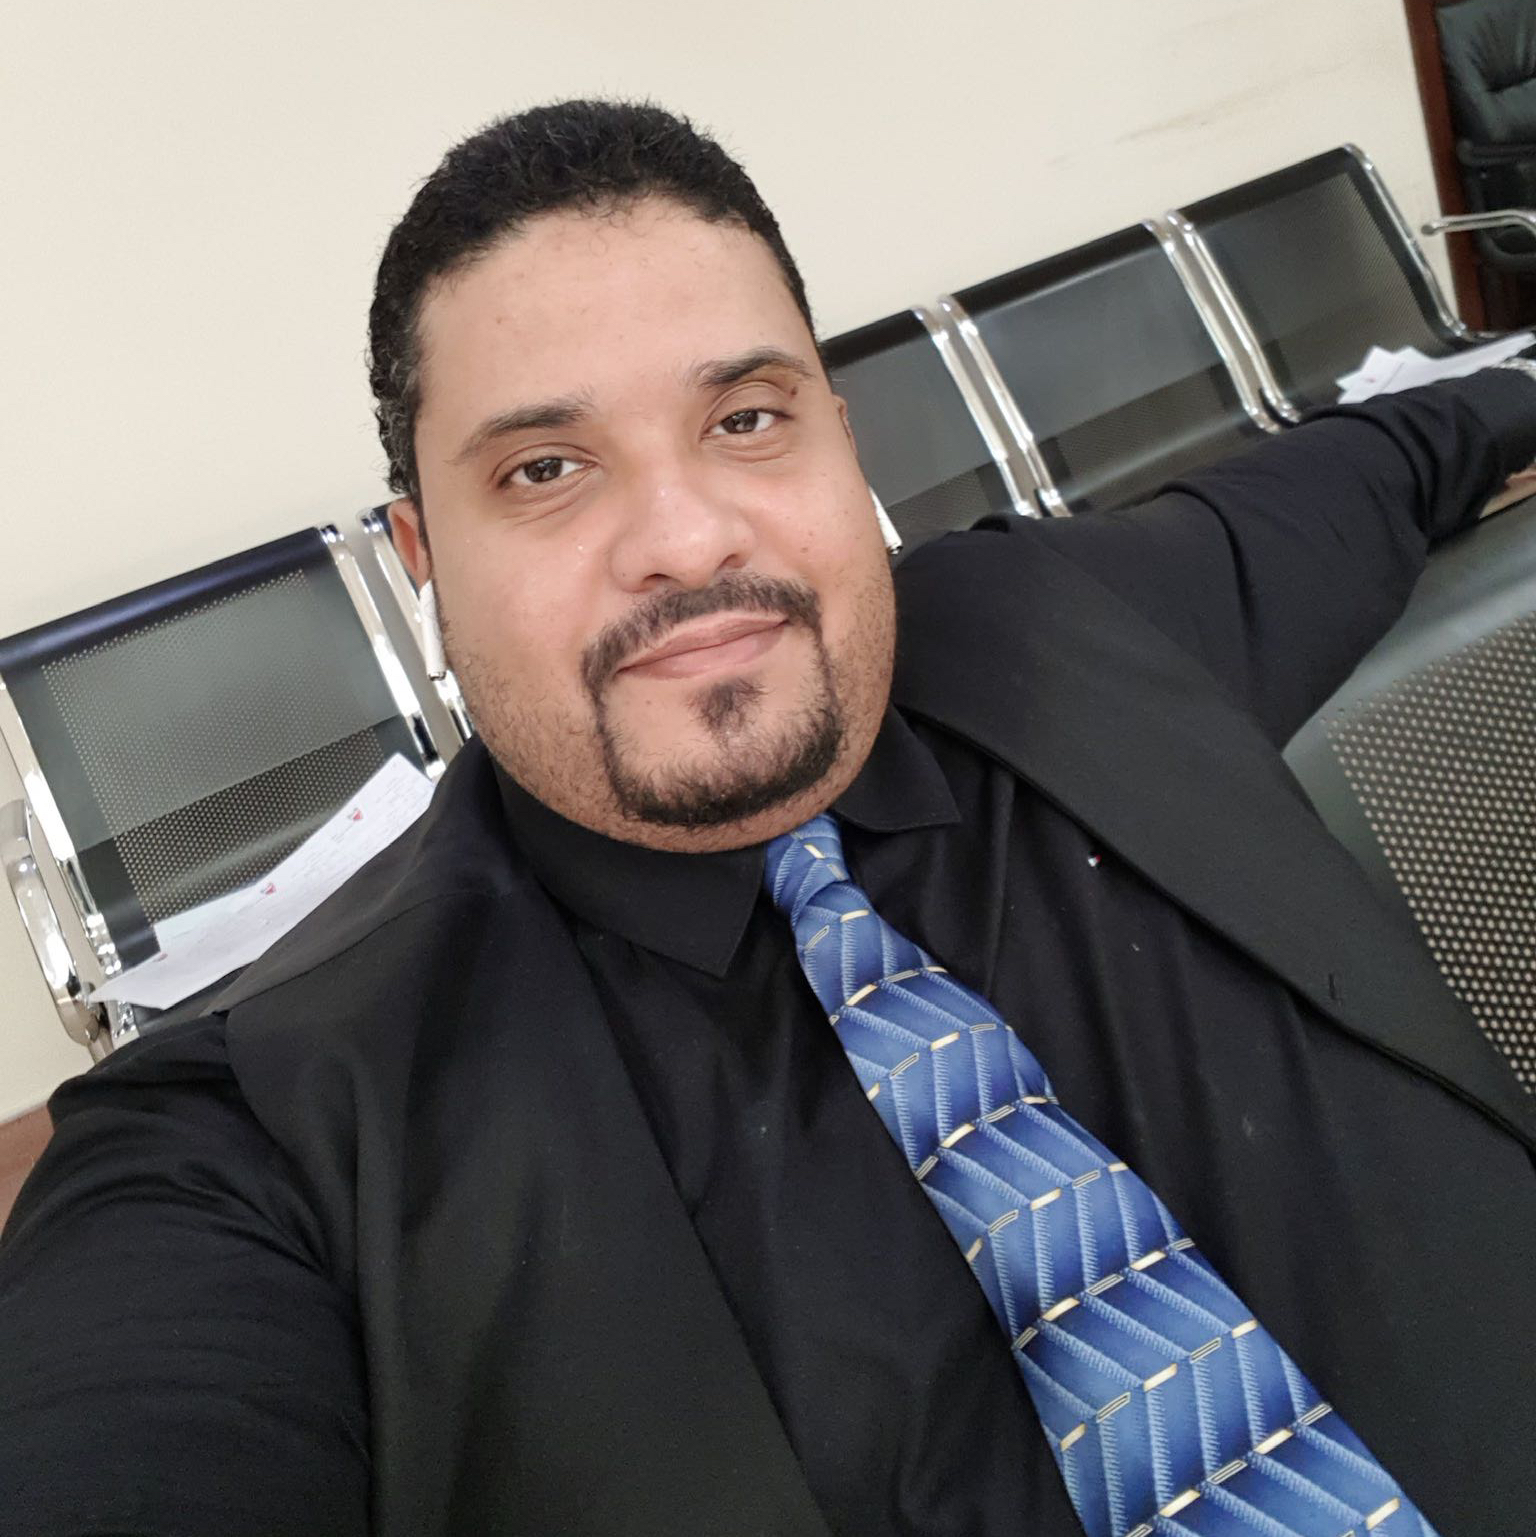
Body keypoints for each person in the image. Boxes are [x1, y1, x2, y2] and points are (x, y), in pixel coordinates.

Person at [2, 99, 1534, 1537]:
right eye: (546, 467)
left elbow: (1387, 457)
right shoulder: (260, 1133)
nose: (685, 537)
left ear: (843, 438)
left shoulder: (1064, 619)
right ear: (422, 555)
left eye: (745, 418)